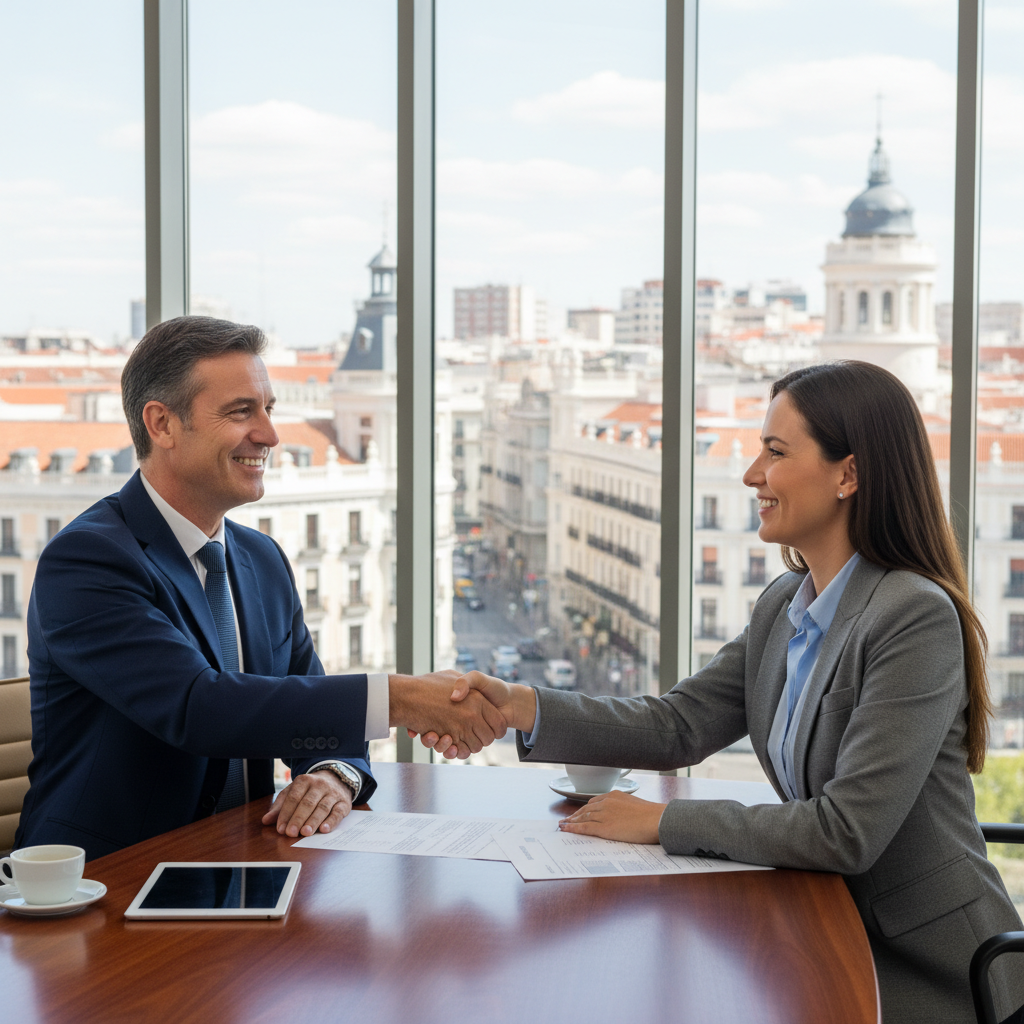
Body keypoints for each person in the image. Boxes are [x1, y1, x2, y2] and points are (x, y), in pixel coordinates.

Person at [428, 362, 1024, 1024]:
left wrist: (659, 821)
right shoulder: (783, 607)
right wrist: (517, 706)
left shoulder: (913, 616)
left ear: (847, 475)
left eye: (775, 452)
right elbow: (677, 725)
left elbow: (847, 831)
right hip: (826, 928)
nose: (750, 475)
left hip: (931, 966)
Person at [16, 316, 504, 861]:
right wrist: (405, 696)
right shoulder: (87, 560)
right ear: (162, 424)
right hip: (104, 881)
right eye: (240, 411)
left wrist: (333, 776)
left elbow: (322, 717)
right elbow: (197, 708)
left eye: (268, 409)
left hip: (241, 865)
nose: (270, 435)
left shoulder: (261, 559)